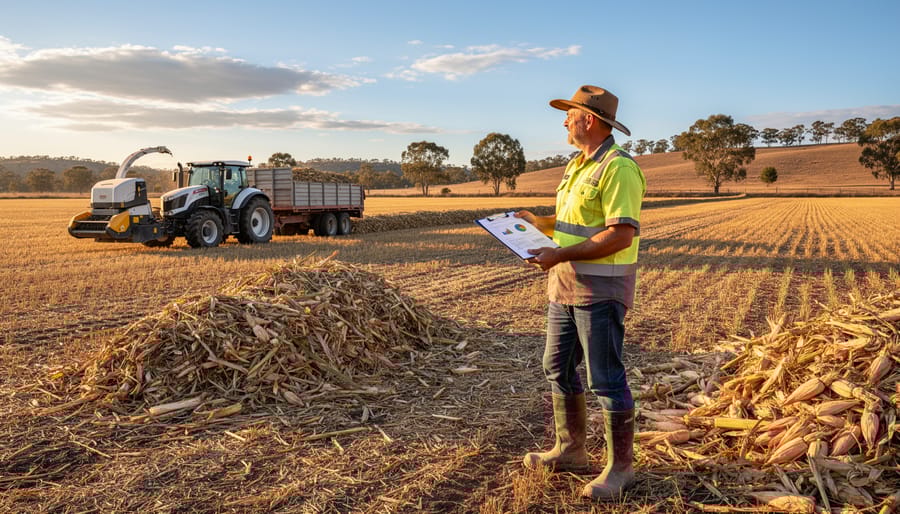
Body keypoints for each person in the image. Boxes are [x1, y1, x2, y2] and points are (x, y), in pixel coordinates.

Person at [516, 85, 646, 501]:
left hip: (600, 290)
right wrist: (539, 222)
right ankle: (570, 449)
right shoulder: (577, 165)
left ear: (588, 120)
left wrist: (560, 254)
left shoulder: (618, 168)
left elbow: (620, 234)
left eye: (569, 114)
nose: (564, 121)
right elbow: (575, 221)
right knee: (556, 366)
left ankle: (620, 468)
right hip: (565, 287)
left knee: (606, 380)